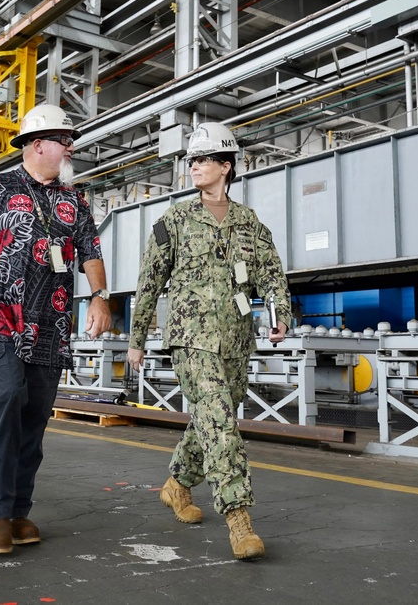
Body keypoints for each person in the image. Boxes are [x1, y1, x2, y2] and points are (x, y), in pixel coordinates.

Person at [0, 104, 112, 555]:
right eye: (63, 141)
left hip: (50, 323)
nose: (70, 148)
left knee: (34, 417)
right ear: (39, 145)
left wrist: (100, 295)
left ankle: (19, 511)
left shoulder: (74, 200)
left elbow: (90, 251)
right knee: (5, 399)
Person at [126, 123, 291, 562]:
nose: (194, 166)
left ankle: (177, 484)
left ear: (226, 166)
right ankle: (239, 519)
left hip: (237, 338)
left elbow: (271, 274)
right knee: (220, 422)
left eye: (202, 159)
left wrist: (280, 315)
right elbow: (148, 284)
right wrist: (136, 340)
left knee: (211, 418)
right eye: (191, 161)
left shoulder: (248, 222)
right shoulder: (174, 221)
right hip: (190, 337)